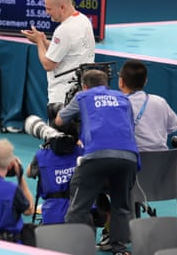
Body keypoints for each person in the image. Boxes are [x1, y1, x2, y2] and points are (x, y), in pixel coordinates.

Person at [95, 59, 177, 250]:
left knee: (90, 178)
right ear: (146, 81)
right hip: (164, 177)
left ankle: (111, 230)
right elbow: (174, 126)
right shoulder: (160, 102)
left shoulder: (116, 104)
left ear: (121, 81)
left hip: (131, 177)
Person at [54, 69, 139, 255]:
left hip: (97, 156)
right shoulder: (124, 98)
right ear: (106, 84)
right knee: (122, 206)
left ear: (84, 86)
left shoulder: (83, 96)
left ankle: (77, 249)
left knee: (78, 205)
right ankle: (120, 249)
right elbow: (129, 127)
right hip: (128, 156)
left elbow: (59, 120)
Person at [20, 0, 95, 119]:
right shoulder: (83, 20)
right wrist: (44, 41)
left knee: (59, 138)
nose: (46, 12)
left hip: (63, 96)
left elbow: (48, 64)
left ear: (62, 7)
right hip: (81, 91)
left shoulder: (64, 30)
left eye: (49, 9)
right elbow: (66, 50)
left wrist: (38, 42)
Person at [26, 119, 83, 225]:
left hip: (52, 217)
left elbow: (29, 173)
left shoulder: (42, 155)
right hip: (81, 214)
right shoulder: (83, 152)